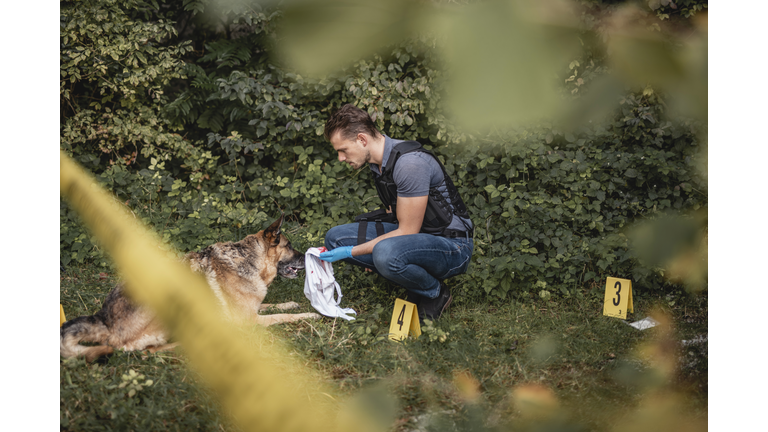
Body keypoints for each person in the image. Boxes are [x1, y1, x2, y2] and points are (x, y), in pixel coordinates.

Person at [318, 104, 474, 320]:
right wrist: (359, 247)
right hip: (419, 236)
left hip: (452, 245)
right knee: (336, 238)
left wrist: (355, 252)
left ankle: (434, 292)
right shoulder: (379, 165)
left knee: (384, 252)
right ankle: (408, 276)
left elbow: (407, 230)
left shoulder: (409, 164)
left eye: (342, 150)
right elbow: (395, 215)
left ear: (362, 140)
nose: (341, 158)